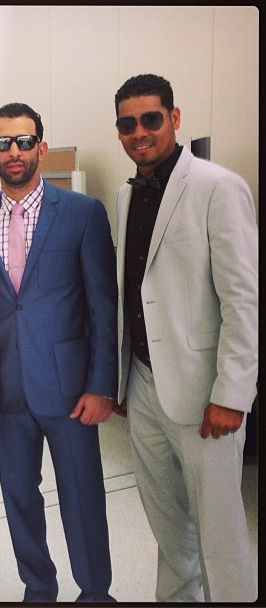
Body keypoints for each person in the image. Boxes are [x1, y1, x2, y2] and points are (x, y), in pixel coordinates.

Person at [113, 74, 258, 602]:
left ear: (174, 118)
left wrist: (232, 394)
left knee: (219, 533)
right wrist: (122, 380)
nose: (139, 132)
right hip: (143, 383)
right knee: (167, 525)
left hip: (203, 391)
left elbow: (243, 299)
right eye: (127, 124)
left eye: (151, 119)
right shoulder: (126, 195)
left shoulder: (219, 186)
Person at [0, 102, 117, 603]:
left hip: (71, 391)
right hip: (6, 392)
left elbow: (102, 306)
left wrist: (101, 386)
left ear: (42, 149)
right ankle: (38, 586)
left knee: (82, 496)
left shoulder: (82, 213)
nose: (15, 151)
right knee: (19, 499)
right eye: (3, 143)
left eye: (25, 141)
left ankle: (94, 591)